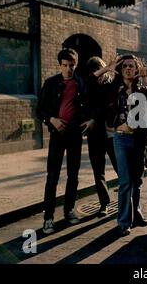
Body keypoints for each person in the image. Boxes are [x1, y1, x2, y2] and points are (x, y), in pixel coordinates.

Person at [37, 48, 92, 234]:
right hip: (57, 135)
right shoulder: (51, 83)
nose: (68, 69)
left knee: (73, 175)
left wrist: (90, 119)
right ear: (60, 65)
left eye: (72, 65)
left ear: (75, 65)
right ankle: (48, 218)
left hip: (75, 135)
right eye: (65, 65)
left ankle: (69, 211)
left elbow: (89, 105)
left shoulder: (81, 83)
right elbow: (40, 110)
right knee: (52, 177)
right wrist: (52, 119)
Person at [106, 54, 147, 236]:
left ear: (136, 70)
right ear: (121, 69)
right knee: (126, 181)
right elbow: (91, 85)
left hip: (138, 139)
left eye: (132, 66)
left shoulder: (141, 90)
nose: (128, 68)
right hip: (120, 138)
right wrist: (107, 68)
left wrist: (146, 75)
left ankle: (137, 214)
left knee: (138, 180)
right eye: (125, 66)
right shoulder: (113, 88)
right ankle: (124, 221)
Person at [83, 56, 120, 216]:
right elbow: (89, 81)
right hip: (95, 136)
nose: (101, 75)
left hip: (112, 136)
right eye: (98, 72)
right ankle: (104, 204)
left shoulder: (111, 86)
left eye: (102, 70)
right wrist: (103, 70)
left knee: (121, 169)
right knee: (98, 173)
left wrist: (94, 118)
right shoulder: (89, 87)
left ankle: (129, 200)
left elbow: (105, 107)